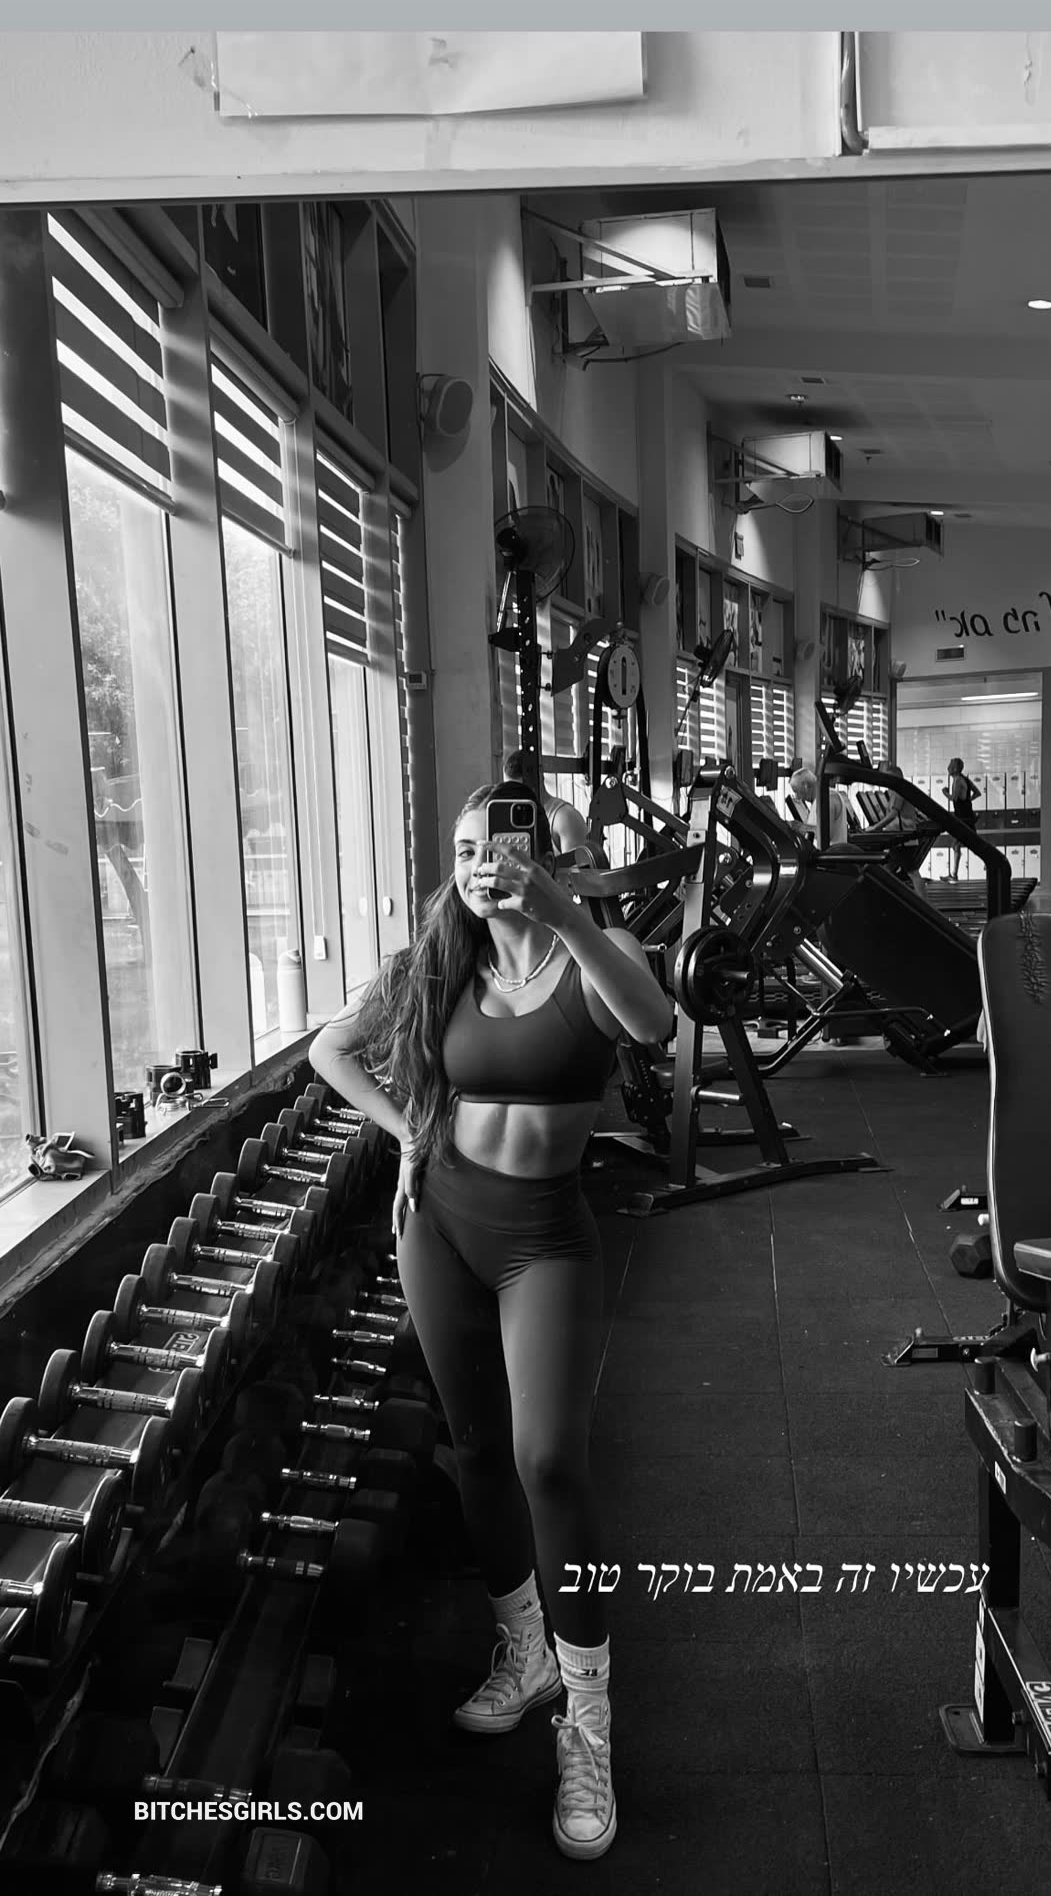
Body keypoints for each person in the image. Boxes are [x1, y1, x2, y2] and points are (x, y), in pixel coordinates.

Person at [308, 780, 674, 1862]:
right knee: (474, 1448)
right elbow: (331, 1050)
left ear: (550, 857)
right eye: (466, 849)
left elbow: (652, 1025)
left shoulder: (597, 951)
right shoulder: (438, 961)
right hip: (440, 1222)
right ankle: (524, 1651)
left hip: (544, 1235)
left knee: (548, 1458)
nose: (483, 865)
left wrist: (562, 911)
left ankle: (588, 1725)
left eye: (506, 846)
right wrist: (407, 1133)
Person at [503, 748, 588, 855]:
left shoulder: (564, 817)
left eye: (521, 789)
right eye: (510, 788)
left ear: (540, 775)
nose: (515, 795)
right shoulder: (513, 819)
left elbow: (577, 865)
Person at [941, 756, 981, 881]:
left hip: (963, 818)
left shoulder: (958, 780)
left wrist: (944, 792)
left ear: (955, 769)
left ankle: (992, 861)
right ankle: (954, 875)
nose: (948, 768)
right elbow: (977, 793)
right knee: (957, 845)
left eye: (950, 766)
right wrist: (967, 800)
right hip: (966, 815)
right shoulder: (965, 779)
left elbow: (953, 798)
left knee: (971, 845)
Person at [788, 765, 848, 847]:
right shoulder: (819, 800)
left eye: (796, 791)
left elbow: (825, 835)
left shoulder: (828, 797)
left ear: (806, 786)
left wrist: (801, 827)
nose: (797, 796)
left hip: (830, 853)